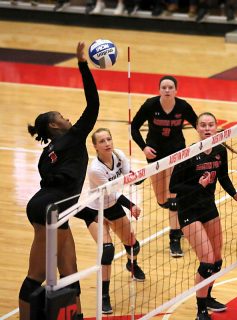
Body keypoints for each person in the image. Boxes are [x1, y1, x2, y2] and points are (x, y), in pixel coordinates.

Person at [20, 41, 99, 320]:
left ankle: (76, 315)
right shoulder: (73, 137)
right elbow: (93, 102)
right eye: (62, 117)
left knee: (70, 268)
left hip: (53, 206)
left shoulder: (46, 154)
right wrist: (82, 64)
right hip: (52, 209)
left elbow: (51, 181)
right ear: (55, 125)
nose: (67, 118)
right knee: (38, 275)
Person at [169, 112, 237, 320]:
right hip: (188, 211)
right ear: (197, 128)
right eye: (202, 125)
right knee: (207, 261)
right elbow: (173, 186)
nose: (207, 128)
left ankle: (208, 296)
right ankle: (201, 310)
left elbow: (223, 176)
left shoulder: (220, 150)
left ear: (215, 127)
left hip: (208, 207)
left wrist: (234, 193)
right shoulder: (188, 153)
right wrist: (197, 186)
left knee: (218, 259)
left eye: (210, 125)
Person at [75, 128, 145, 314]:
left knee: (133, 245)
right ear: (95, 147)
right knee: (107, 251)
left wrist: (142, 175)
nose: (107, 143)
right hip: (94, 210)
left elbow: (130, 175)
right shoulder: (95, 170)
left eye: (109, 139)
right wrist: (131, 205)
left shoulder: (119, 155)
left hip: (112, 206)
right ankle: (104, 297)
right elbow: (114, 190)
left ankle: (132, 264)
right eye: (102, 141)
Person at [131, 75, 198, 258]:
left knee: (173, 199)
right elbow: (134, 127)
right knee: (163, 201)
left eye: (170, 87)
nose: (167, 90)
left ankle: (175, 240)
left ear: (176, 90)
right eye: (164, 87)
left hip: (177, 155)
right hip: (156, 156)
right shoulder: (150, 105)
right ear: (159, 90)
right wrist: (143, 147)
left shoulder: (183, 106)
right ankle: (180, 214)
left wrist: (206, 141)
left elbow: (198, 125)